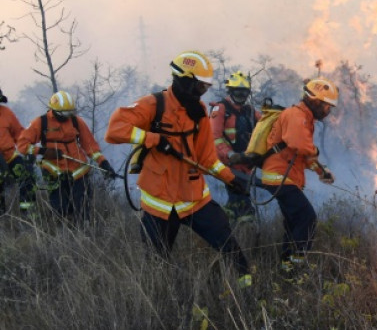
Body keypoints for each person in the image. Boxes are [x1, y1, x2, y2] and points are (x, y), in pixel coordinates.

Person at [106, 50, 251, 277]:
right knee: (156, 263)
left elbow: (206, 158)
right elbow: (115, 130)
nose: (202, 92)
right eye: (200, 86)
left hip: (194, 199)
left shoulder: (200, 112)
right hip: (159, 204)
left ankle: (248, 287)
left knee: (229, 246)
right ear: (184, 80)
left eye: (206, 87)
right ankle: (165, 300)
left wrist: (230, 178)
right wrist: (153, 139)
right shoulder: (153, 105)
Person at [260, 78, 337, 272]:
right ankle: (297, 264)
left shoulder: (306, 118)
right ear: (316, 101)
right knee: (307, 217)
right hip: (279, 176)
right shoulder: (296, 115)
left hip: (285, 177)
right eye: (327, 106)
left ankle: (286, 266)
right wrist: (317, 153)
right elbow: (300, 145)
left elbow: (303, 155)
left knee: (293, 223)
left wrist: (321, 171)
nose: (328, 111)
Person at [17, 90, 117, 220]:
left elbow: (90, 146)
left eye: (71, 112)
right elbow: (22, 145)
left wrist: (103, 163)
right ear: (55, 111)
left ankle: (83, 232)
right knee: (60, 208)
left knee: (82, 207)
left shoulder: (76, 121)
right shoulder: (41, 122)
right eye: (65, 113)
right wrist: (43, 151)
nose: (68, 116)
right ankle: (62, 231)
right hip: (54, 171)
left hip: (79, 170)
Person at [209, 71, 260, 222]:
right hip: (228, 164)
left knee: (236, 204)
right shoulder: (220, 109)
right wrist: (230, 155)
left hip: (246, 164)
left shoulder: (249, 111)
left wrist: (278, 116)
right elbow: (215, 137)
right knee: (244, 208)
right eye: (238, 91)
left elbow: (264, 124)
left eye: (245, 92)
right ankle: (239, 234)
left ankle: (223, 224)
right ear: (231, 90)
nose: (241, 95)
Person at [0, 88, 35, 212]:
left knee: (27, 175)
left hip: (9, 157)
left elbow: (20, 134)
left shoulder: (7, 113)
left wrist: (28, 149)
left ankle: (28, 214)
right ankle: (3, 218)